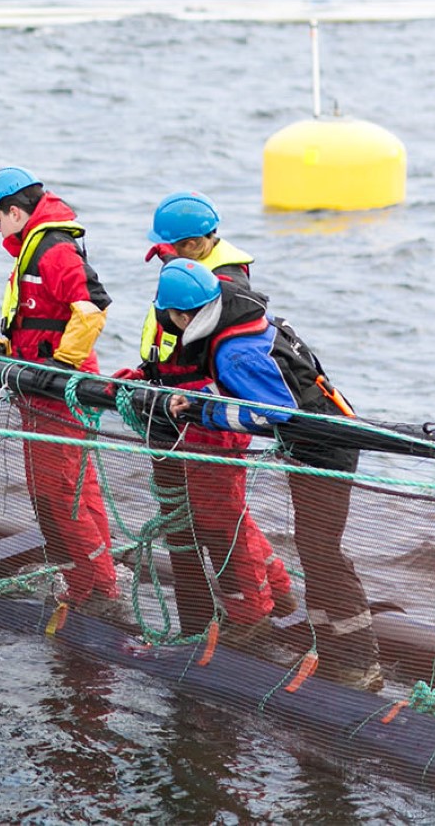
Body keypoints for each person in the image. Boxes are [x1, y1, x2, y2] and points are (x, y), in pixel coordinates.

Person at [151, 257, 382, 689]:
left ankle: (359, 665)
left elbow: (270, 414)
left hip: (325, 450)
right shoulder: (243, 320)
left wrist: (204, 410)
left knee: (323, 553)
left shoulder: (234, 352)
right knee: (315, 549)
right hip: (318, 443)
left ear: (182, 316)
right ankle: (336, 652)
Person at [127, 191, 295, 632]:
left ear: (198, 243)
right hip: (183, 407)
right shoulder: (189, 270)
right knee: (218, 513)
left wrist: (193, 402)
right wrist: (149, 376)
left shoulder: (222, 287)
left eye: (175, 246)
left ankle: (251, 611)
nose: (168, 253)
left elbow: (224, 374)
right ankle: (276, 587)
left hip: (207, 416)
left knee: (220, 519)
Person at [0, 166, 120, 611]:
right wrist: (5, 346)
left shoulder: (53, 250)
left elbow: (92, 309)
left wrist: (61, 366)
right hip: (41, 384)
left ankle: (95, 590)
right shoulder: (34, 249)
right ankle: (95, 582)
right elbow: (37, 315)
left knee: (60, 493)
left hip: (57, 388)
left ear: (16, 212)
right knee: (71, 489)